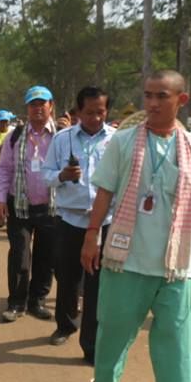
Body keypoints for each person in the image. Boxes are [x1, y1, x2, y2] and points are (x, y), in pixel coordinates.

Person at [81, 70, 191, 382]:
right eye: (148, 95)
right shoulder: (123, 142)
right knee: (113, 330)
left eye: (162, 96)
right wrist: (91, 236)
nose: (153, 103)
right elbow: (104, 193)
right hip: (126, 260)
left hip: (175, 264)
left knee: (176, 339)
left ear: (181, 100)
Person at [42, 86, 114, 358]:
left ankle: (91, 343)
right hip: (70, 220)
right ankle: (65, 325)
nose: (95, 118)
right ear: (78, 112)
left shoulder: (117, 141)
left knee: (97, 283)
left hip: (105, 221)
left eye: (100, 112)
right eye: (89, 112)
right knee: (67, 276)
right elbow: (45, 176)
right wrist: (62, 175)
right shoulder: (62, 139)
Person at [0, 85, 57, 323]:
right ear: (27, 108)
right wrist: (0, 199)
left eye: (42, 103)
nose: (37, 108)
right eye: (33, 104)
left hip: (51, 207)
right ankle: (16, 303)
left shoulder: (62, 136)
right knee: (19, 255)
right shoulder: (16, 136)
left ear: (51, 106)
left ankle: (37, 301)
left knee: (46, 257)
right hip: (19, 205)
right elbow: (3, 169)